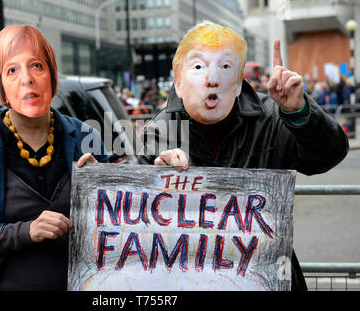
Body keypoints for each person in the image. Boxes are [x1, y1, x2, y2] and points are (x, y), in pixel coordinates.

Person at [141, 21, 348, 291]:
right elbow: (136, 225)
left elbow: (327, 156)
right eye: (199, 67)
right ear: (178, 82)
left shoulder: (273, 116)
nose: (212, 79)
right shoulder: (157, 134)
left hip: (265, 277)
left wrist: (300, 114)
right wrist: (156, 181)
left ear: (238, 82)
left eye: (225, 67)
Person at [0, 25, 108, 291]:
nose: (27, 78)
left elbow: (115, 226)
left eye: (37, 66)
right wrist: (26, 231)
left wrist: (109, 191)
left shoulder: (86, 137)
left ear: (53, 77)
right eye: (12, 70)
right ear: (2, 89)